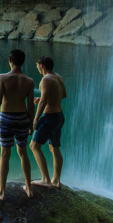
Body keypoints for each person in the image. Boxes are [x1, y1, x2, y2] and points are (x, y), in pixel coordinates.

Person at [0, 49, 35, 200]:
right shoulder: (29, 81)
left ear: (10, 61)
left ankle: (2, 191)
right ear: (23, 62)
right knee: (23, 153)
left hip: (6, 118)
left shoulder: (3, 77)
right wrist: (31, 123)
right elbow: (31, 106)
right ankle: (28, 188)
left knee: (4, 154)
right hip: (22, 118)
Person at [31, 56, 67, 189]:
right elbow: (63, 95)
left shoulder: (45, 80)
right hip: (59, 116)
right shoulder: (59, 77)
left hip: (49, 117)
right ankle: (56, 180)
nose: (37, 68)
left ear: (42, 66)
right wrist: (42, 98)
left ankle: (45, 179)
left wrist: (35, 119)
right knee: (54, 148)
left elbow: (44, 103)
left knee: (34, 146)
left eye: (37, 65)